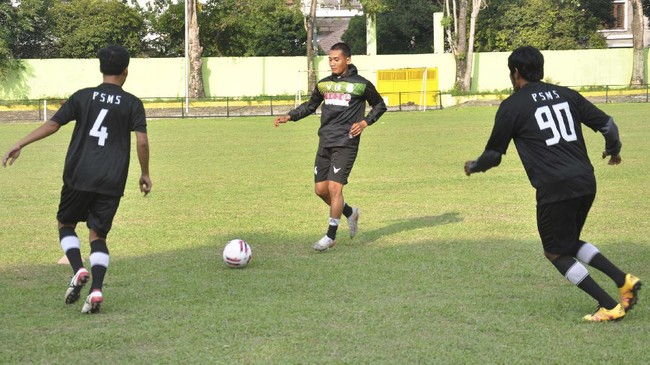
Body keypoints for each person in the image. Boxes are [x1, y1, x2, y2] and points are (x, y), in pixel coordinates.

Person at [464, 46, 641, 322]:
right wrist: (613, 149)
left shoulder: (512, 106)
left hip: (555, 187)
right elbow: (608, 125)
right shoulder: (566, 95)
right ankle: (623, 280)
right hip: (586, 180)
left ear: (516, 72)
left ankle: (608, 305)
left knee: (555, 251)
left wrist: (473, 166)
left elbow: (494, 157)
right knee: (569, 243)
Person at [2, 45, 152, 314]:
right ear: (126, 70)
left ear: (101, 68)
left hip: (78, 175)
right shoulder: (133, 103)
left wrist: (20, 143)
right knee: (98, 235)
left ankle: (77, 268)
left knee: (66, 222)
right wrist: (144, 172)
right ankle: (96, 289)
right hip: (111, 180)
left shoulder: (82, 97)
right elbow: (141, 141)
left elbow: (53, 124)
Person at [274, 42, 387, 251]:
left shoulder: (361, 84)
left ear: (348, 60)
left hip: (346, 142)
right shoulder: (324, 84)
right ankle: (350, 213)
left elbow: (380, 105)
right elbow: (310, 106)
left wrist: (364, 122)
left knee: (335, 188)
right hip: (325, 140)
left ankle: (331, 236)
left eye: (336, 59)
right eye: (330, 59)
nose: (332, 63)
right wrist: (289, 116)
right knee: (320, 190)